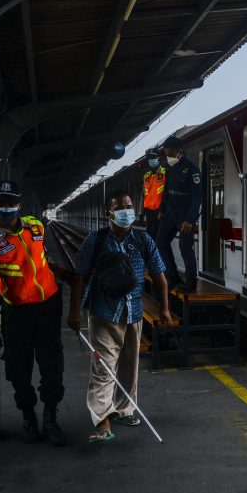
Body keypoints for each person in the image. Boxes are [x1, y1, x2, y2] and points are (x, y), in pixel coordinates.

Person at [67, 190, 172, 443]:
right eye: (121, 207)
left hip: (134, 312)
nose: (127, 211)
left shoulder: (144, 241)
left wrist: (164, 308)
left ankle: (125, 409)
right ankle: (102, 419)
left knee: (129, 366)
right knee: (103, 368)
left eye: (129, 205)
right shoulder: (96, 239)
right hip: (103, 312)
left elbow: (159, 276)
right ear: (108, 214)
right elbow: (79, 277)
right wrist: (74, 311)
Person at [0, 180, 67, 445]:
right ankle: (28, 419)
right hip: (17, 314)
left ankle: (50, 419)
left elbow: (44, 259)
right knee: (19, 370)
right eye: (0, 203)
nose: (6, 208)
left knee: (52, 367)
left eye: (11, 202)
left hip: (47, 308)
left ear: (20, 204)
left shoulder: (36, 227)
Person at [156, 135, 202, 292]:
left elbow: (198, 197)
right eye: (166, 155)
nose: (168, 158)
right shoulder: (169, 167)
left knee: (185, 248)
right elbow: (166, 190)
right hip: (170, 212)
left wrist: (190, 220)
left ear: (179, 152)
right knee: (160, 242)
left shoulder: (192, 169)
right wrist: (162, 210)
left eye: (170, 155)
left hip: (185, 214)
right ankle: (173, 276)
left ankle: (191, 282)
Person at [142, 149, 166, 239]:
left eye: (153, 157)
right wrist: (141, 212)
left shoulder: (165, 173)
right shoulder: (146, 176)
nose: (151, 160)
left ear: (159, 158)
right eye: (149, 158)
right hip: (149, 212)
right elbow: (143, 195)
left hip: (161, 211)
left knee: (161, 238)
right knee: (150, 238)